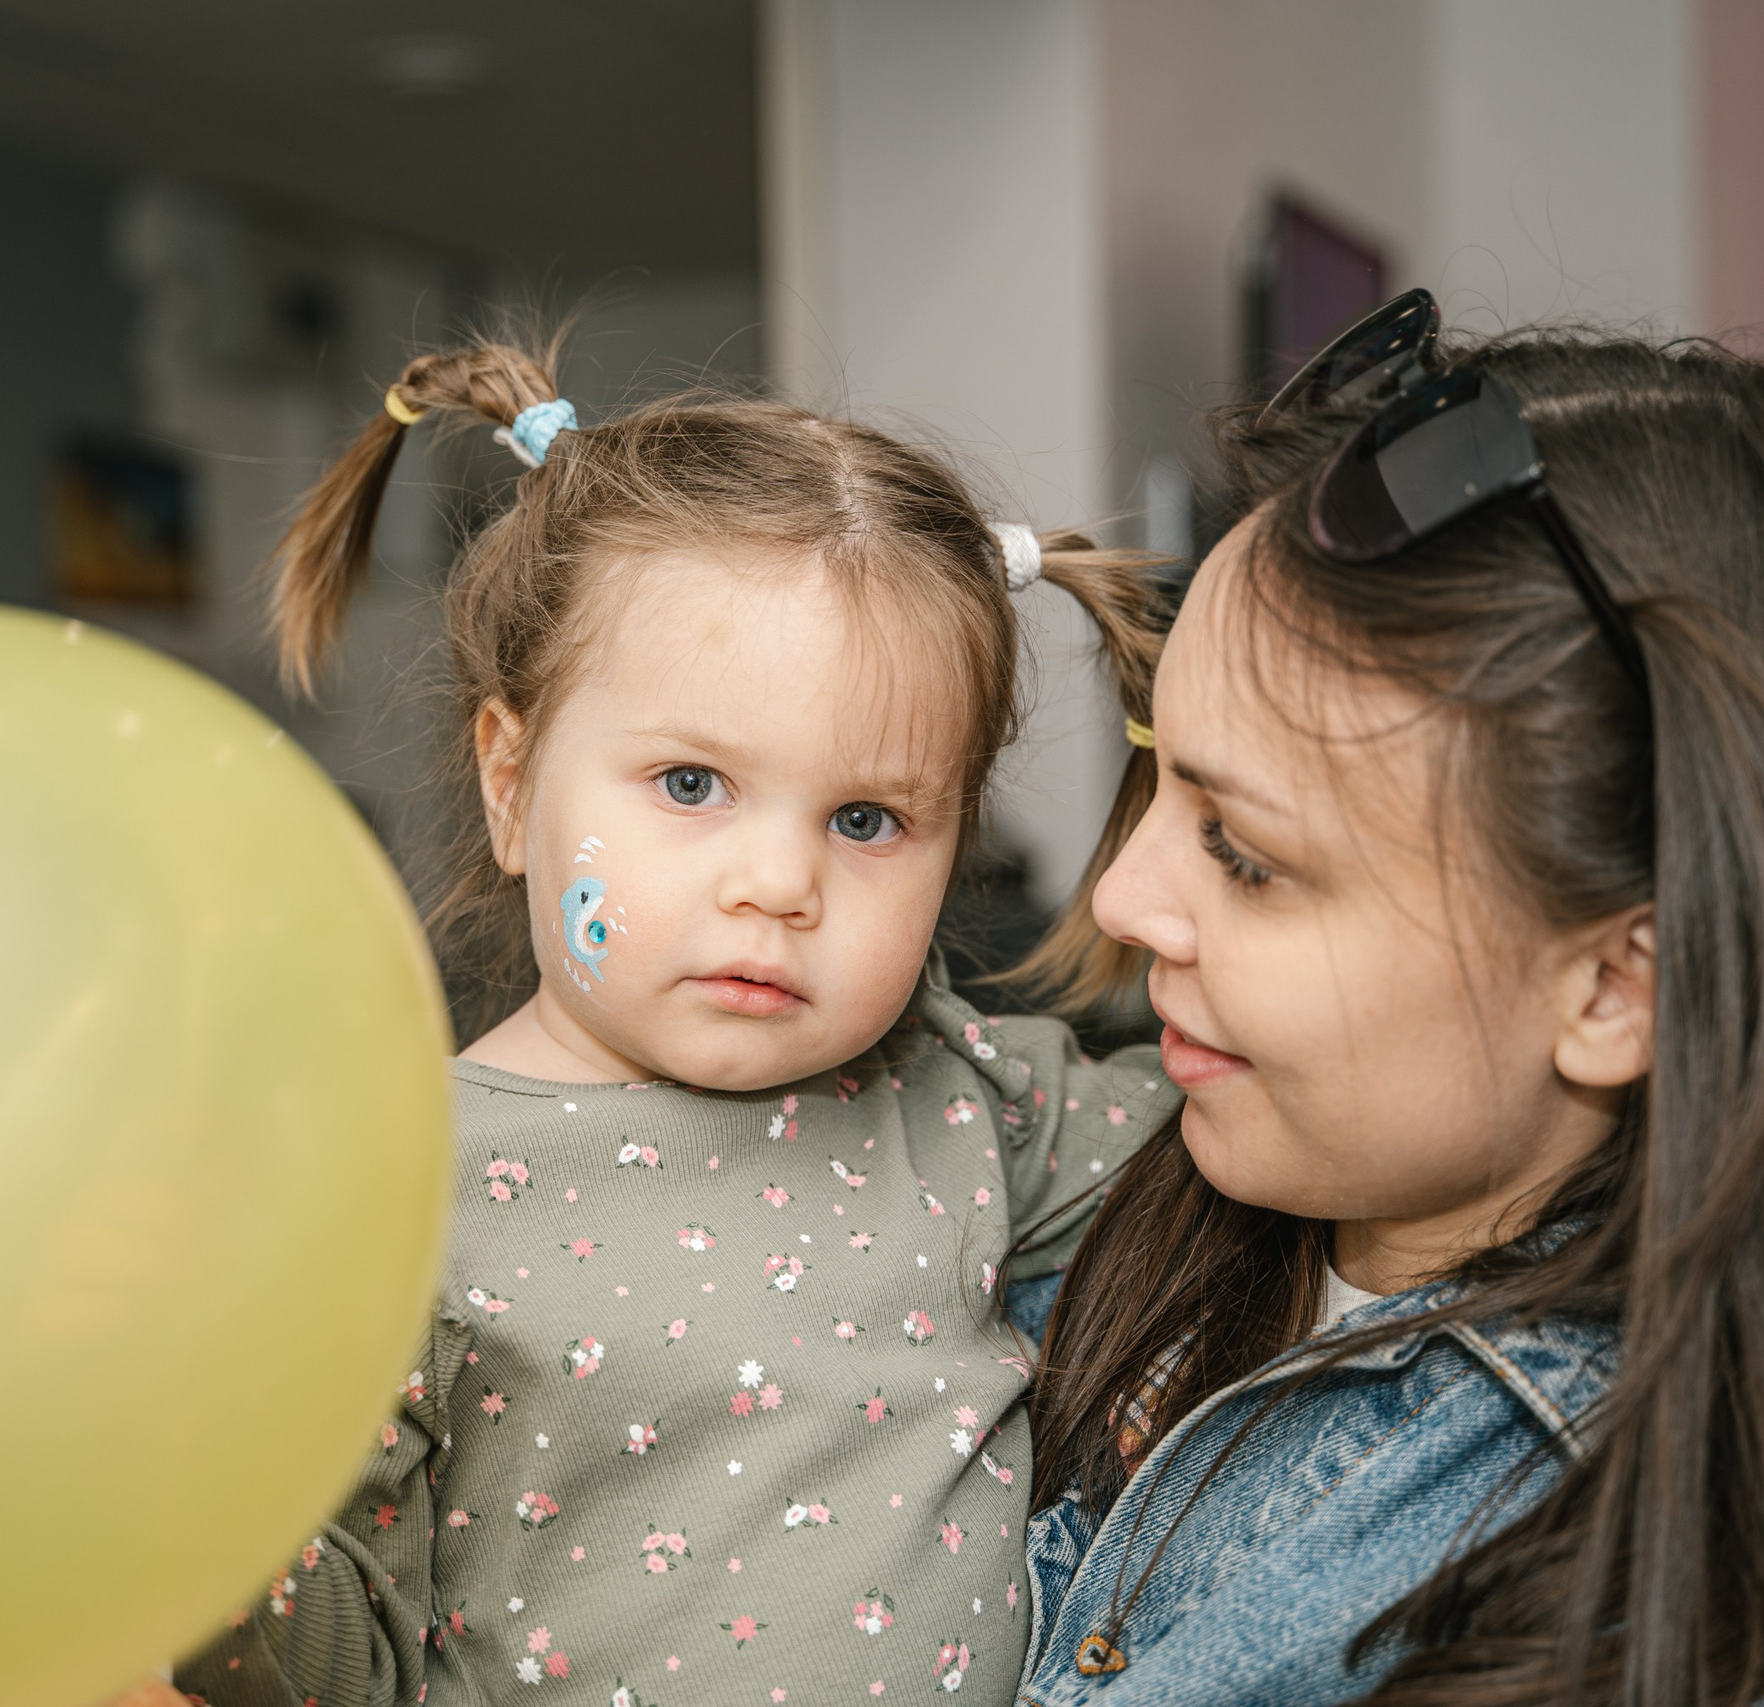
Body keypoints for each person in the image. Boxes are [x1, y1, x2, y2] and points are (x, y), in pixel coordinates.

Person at [1015, 297, 1764, 1706]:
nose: (1125, 900)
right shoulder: (1078, 1207)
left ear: (1623, 986)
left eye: (1248, 857)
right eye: (1158, 771)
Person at [168, 341, 1182, 1707]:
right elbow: (337, 1672)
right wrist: (190, 1472)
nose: (779, 884)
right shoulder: (387, 1188)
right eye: (692, 784)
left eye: (868, 820)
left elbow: (1250, 1133)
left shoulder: (955, 1089)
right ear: (513, 786)